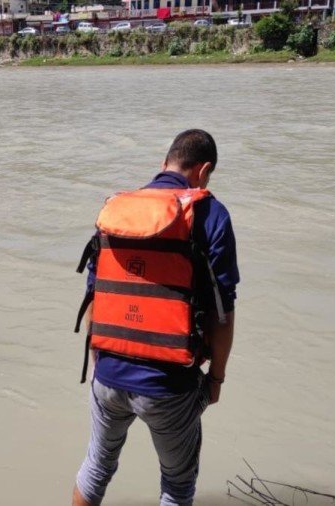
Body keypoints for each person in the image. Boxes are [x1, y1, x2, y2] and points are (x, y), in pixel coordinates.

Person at [72, 130, 239, 506]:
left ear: (164, 164)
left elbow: (94, 296)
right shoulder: (210, 214)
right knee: (176, 488)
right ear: (204, 169)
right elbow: (222, 315)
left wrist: (100, 360)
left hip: (108, 374)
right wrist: (216, 380)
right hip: (169, 384)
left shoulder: (116, 209)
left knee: (95, 469)